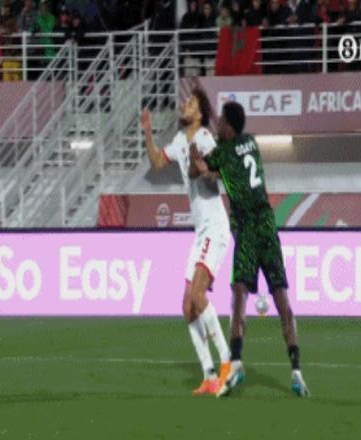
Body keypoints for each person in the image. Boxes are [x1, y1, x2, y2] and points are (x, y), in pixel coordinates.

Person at [190, 101, 309, 398]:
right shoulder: (251, 143)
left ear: (229, 127)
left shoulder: (224, 151)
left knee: (239, 293)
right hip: (267, 222)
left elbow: (199, 170)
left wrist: (194, 150)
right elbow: (231, 172)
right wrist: (217, 173)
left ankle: (236, 363)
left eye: (221, 122)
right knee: (281, 295)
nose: (217, 126)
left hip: (247, 227)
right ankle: (296, 370)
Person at [140, 89, 231, 396]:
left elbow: (221, 171)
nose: (184, 105)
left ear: (200, 114)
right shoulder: (181, 140)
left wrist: (204, 170)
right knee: (187, 306)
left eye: (190, 103)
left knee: (197, 293)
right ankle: (209, 375)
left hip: (215, 227)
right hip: (201, 231)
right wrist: (148, 133)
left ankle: (228, 362)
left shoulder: (204, 139)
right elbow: (156, 162)